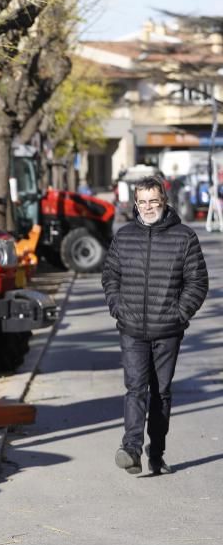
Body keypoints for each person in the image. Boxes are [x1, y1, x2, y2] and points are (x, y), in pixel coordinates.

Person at [101, 176, 208, 475]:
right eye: (142, 202)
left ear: (164, 201)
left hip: (168, 331)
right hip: (132, 328)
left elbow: (198, 282)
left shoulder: (184, 237)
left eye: (154, 201)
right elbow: (110, 276)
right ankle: (131, 448)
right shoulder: (123, 237)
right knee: (135, 389)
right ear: (135, 203)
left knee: (160, 392)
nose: (148, 207)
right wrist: (117, 307)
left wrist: (179, 313)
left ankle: (156, 452)